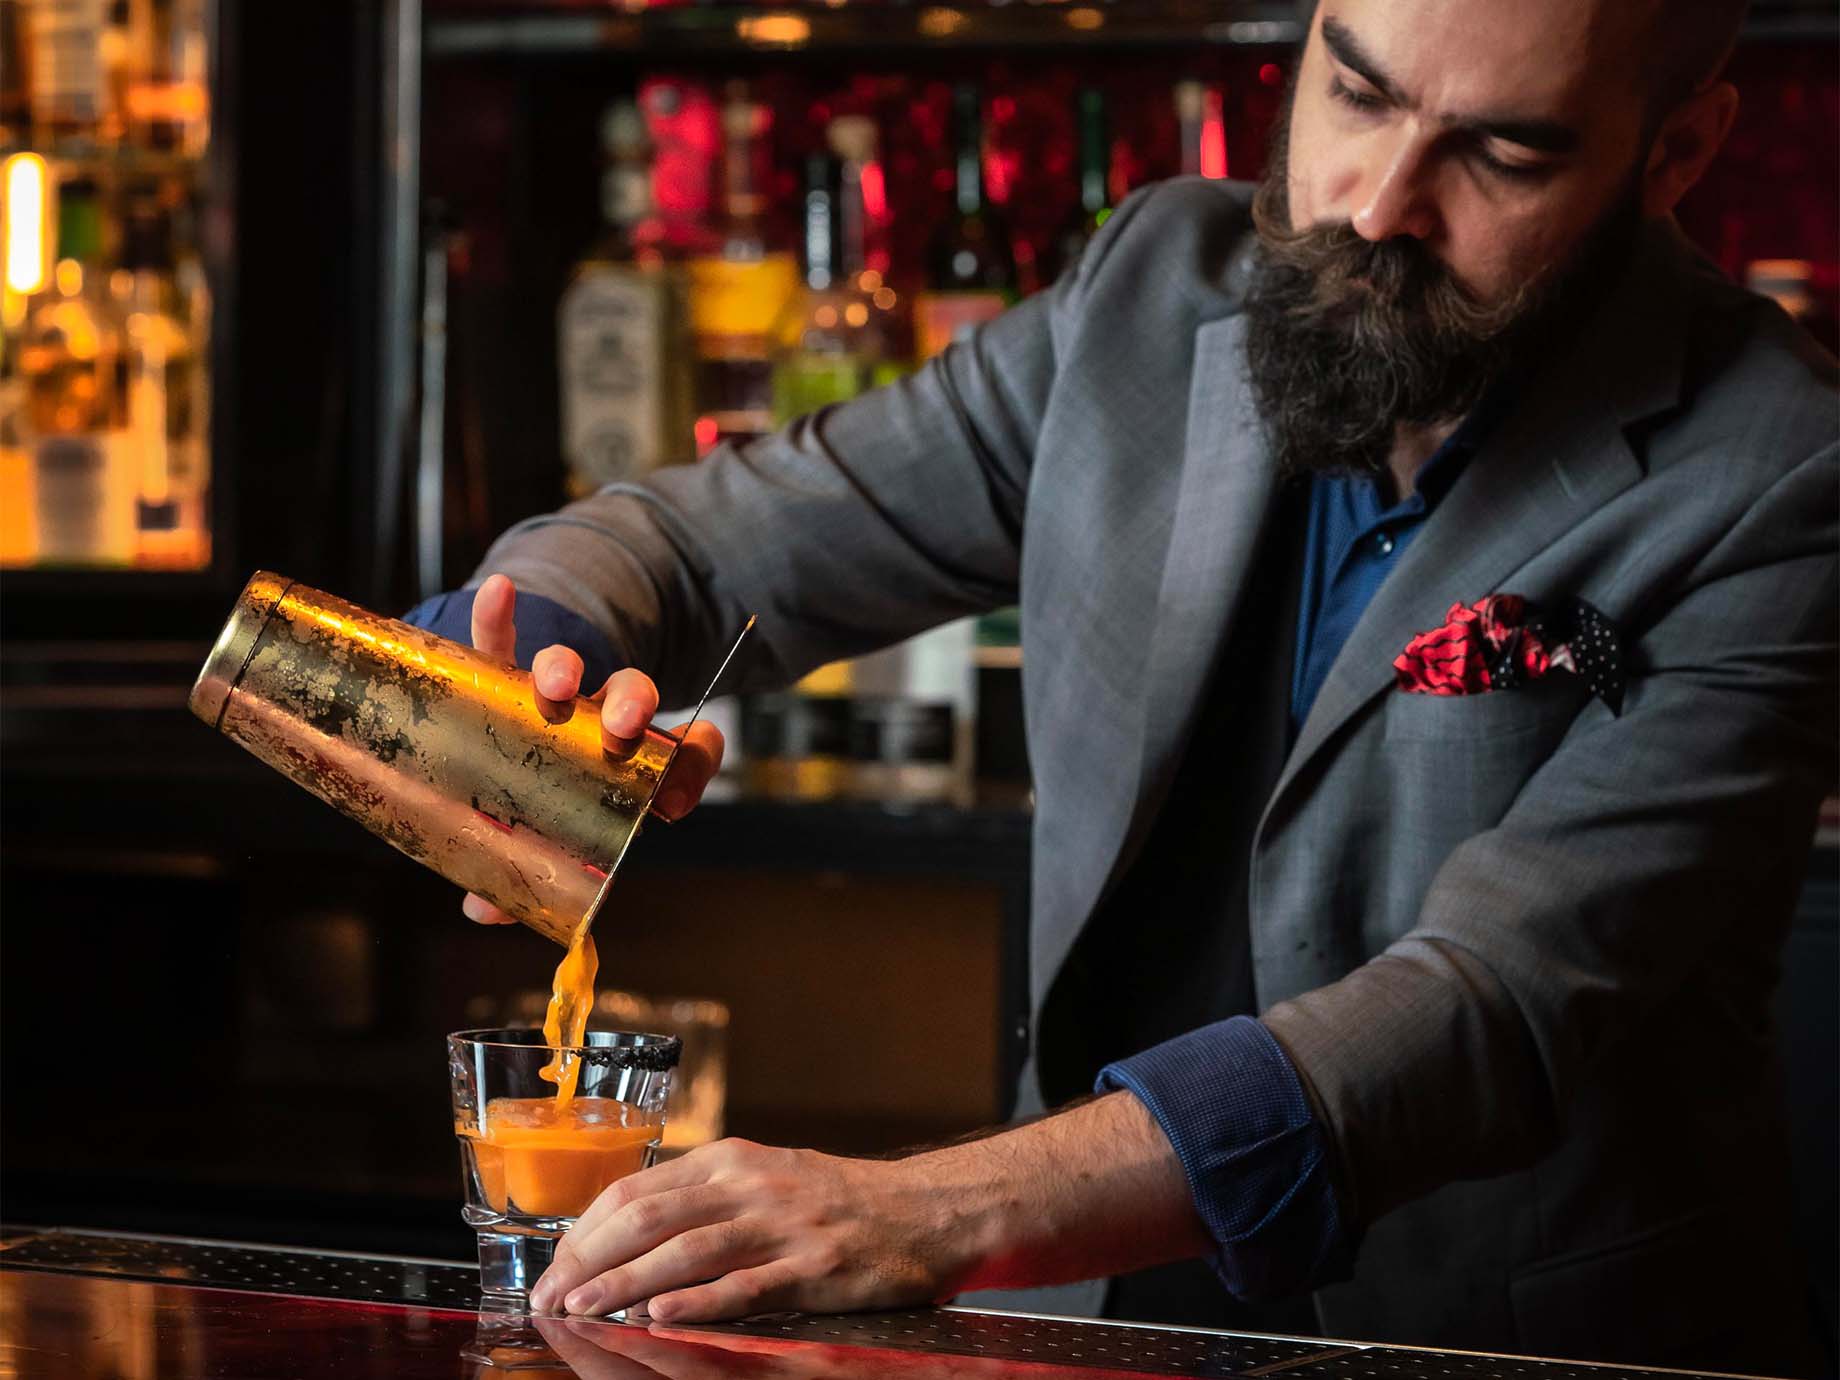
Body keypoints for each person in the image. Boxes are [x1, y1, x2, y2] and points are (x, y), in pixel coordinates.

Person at [405, 0, 1838, 1370]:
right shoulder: (1156, 286)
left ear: (1679, 150)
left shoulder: (1779, 471)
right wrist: (539, 658)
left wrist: (931, 1209)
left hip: (1519, 1347)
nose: (1381, 200)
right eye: (1356, 90)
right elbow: (720, 544)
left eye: (1505, 150)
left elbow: (1492, 1006)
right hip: (1083, 1324)